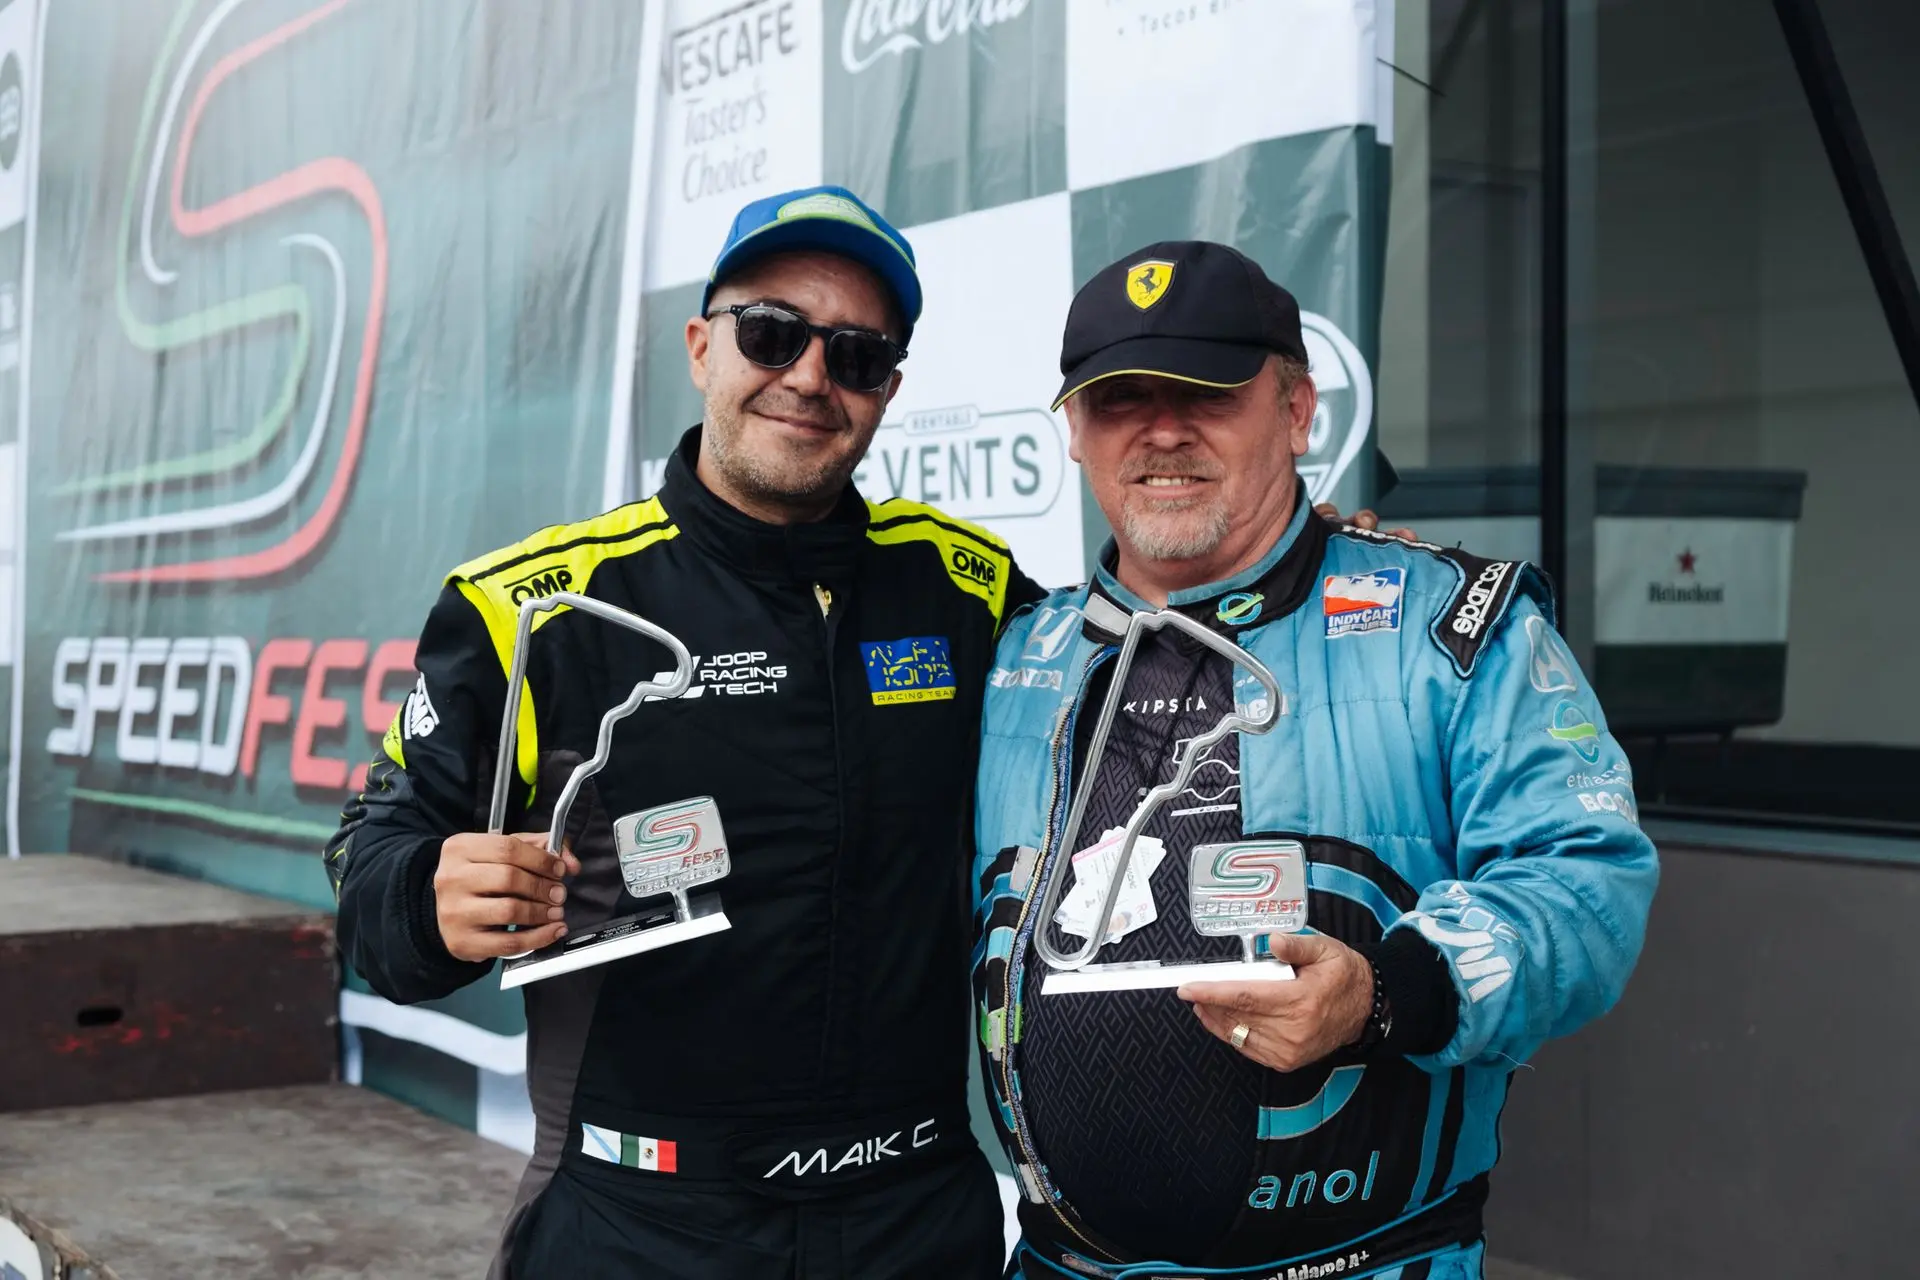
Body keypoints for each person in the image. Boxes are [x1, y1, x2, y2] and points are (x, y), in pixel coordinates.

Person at [324, 185, 1045, 1279]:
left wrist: (1311, 570)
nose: (810, 376)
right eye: (772, 333)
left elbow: (1136, 688)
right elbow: (367, 864)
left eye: (856, 354)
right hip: (640, 1223)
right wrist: (425, 894)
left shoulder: (969, 588)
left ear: (888, 390)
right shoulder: (536, 610)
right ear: (703, 346)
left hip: (916, 1218)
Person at [971, 240, 1659, 1279]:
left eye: (1207, 391)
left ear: (1297, 411)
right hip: (1060, 1266)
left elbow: (1587, 877)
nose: (1163, 430)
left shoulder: (1450, 626)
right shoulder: (1017, 654)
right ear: (1074, 430)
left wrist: (1385, 989)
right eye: (1120, 399)